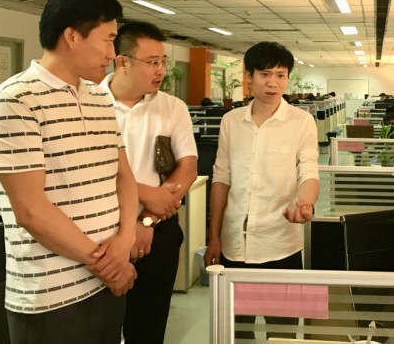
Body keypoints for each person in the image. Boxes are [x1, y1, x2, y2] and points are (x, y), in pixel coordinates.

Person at [0, 0, 138, 344]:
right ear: (72, 36)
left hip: (106, 284)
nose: (113, 54)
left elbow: (123, 177)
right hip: (51, 298)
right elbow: (31, 211)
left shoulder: (99, 98)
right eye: (108, 39)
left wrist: (125, 241)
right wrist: (109, 265)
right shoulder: (14, 101)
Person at [204, 41, 319, 339]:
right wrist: (214, 237)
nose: (273, 83)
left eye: (280, 75)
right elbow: (221, 179)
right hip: (234, 244)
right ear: (250, 77)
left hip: (280, 243)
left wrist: (305, 202)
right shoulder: (231, 121)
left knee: (281, 332)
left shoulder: (302, 122)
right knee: (237, 330)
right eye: (265, 74)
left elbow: (308, 171)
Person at [101, 21, 198, 344]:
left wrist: (147, 218)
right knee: (98, 326)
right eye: (152, 62)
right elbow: (89, 172)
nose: (161, 71)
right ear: (122, 61)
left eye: (163, 62)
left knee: (148, 326)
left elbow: (187, 167)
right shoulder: (89, 102)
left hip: (157, 231)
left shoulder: (172, 107)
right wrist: (142, 201)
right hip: (101, 230)